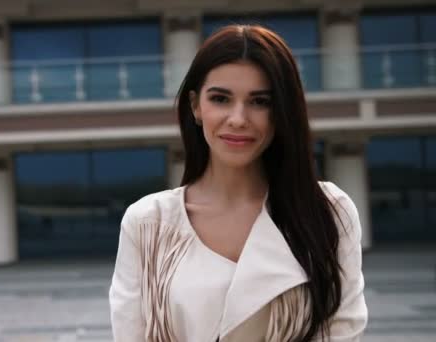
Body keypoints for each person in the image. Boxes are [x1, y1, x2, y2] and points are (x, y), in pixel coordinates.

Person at [108, 24, 368, 342]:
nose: (238, 118)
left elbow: (342, 332)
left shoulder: (328, 210)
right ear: (195, 106)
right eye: (220, 98)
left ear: (282, 111)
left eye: (260, 101)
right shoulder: (149, 223)